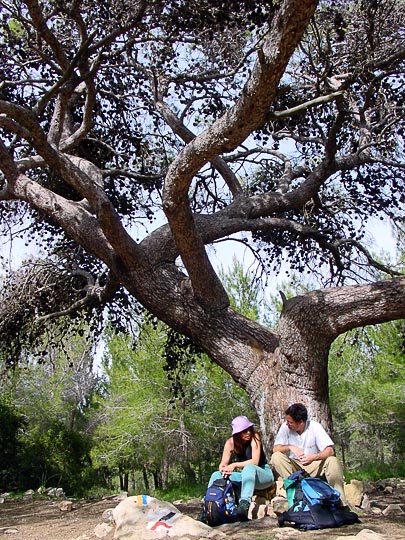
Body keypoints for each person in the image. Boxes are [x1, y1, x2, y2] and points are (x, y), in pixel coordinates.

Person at [270, 403, 349, 506]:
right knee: (276, 457)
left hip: (314, 464)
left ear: (301, 422)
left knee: (332, 460)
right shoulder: (285, 428)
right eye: (287, 421)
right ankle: (294, 495)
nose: (287, 424)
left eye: (291, 422)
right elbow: (276, 449)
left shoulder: (314, 427)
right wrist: (290, 447)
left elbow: (330, 451)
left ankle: (340, 501)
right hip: (295, 466)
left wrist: (313, 457)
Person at [207, 415, 274, 520]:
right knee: (216, 475)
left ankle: (244, 505)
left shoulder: (255, 437)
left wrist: (234, 465)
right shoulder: (230, 443)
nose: (248, 433)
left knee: (249, 468)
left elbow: (255, 462)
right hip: (246, 477)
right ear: (237, 433)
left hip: (263, 475)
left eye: (249, 429)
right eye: (244, 431)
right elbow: (223, 464)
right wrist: (224, 469)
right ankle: (208, 504)